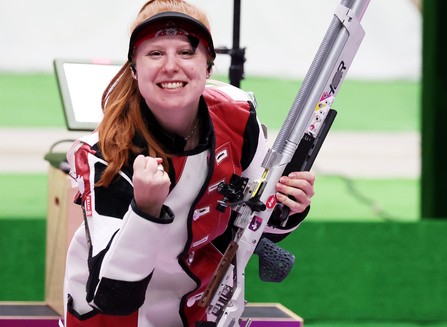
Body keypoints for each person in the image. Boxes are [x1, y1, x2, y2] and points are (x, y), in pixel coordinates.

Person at [62, 0, 316, 326]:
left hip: (206, 305)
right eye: (155, 53)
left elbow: (258, 227)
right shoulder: (104, 153)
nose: (171, 66)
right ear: (134, 67)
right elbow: (113, 295)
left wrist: (290, 207)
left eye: (186, 52)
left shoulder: (238, 116)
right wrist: (146, 212)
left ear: (209, 66)